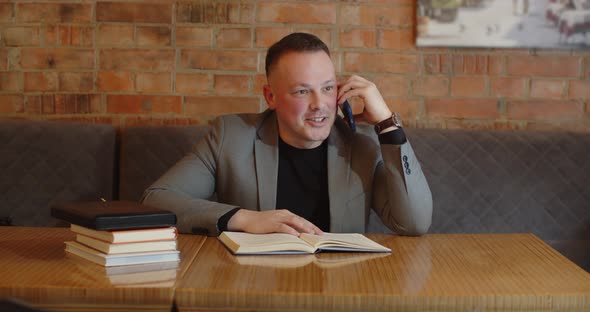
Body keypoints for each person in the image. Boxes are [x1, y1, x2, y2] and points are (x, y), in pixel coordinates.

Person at [141, 33, 432, 237]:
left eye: (328, 88)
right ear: (271, 96)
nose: (320, 104)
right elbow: (157, 199)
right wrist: (245, 219)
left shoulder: (361, 144)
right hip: (252, 287)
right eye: (302, 91)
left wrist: (387, 125)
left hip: (342, 290)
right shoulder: (230, 136)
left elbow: (414, 223)